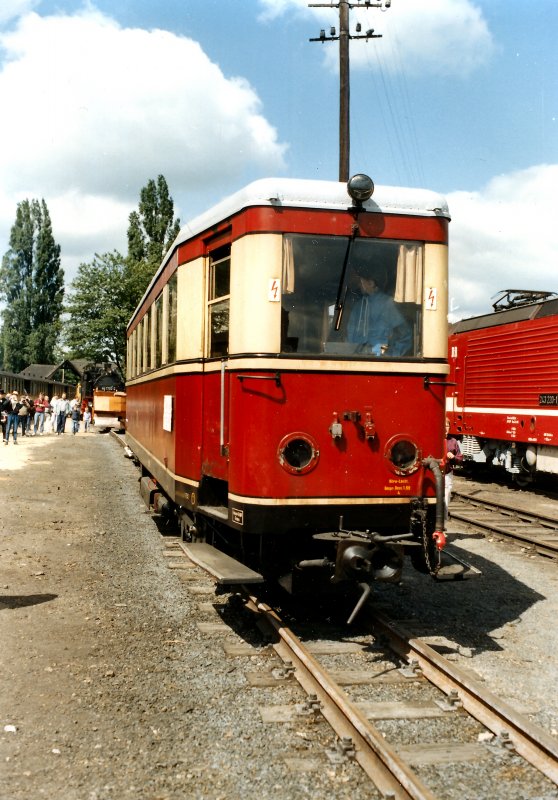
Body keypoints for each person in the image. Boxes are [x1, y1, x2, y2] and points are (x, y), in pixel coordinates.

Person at [347, 272, 412, 356]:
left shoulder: (388, 304)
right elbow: (350, 336)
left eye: (361, 282)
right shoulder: (358, 307)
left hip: (381, 362)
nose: (359, 285)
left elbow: (404, 336)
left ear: (371, 283)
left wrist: (388, 354)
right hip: (356, 360)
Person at [444, 418, 463, 521]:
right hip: (435, 475)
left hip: (447, 474)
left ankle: (443, 525)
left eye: (447, 426)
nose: (445, 428)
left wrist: (454, 457)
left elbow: (460, 459)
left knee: (446, 499)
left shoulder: (453, 441)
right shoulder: (434, 439)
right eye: (443, 426)